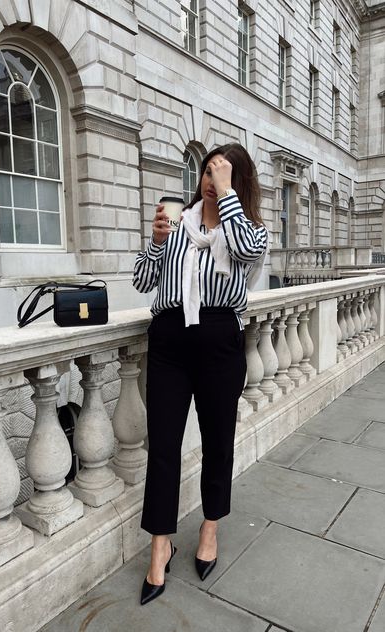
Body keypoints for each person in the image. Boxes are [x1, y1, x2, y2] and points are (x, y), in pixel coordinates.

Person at [132, 142, 268, 605]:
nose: (211, 180)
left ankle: (210, 526)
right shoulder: (179, 224)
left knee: (217, 442)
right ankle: (159, 545)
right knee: (163, 447)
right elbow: (142, 281)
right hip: (169, 337)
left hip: (218, 339)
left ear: (238, 182)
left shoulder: (249, 232)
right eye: (208, 172)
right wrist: (155, 242)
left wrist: (228, 197)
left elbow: (247, 252)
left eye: (222, 173)